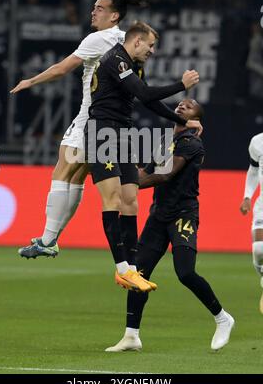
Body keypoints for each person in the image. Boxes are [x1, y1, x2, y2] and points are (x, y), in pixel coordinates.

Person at [10, 0, 149, 259]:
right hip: (115, 122)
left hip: (91, 118)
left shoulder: (98, 39)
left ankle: (49, 239)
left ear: (114, 15)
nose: (93, 12)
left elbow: (63, 68)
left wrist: (30, 80)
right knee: (75, 176)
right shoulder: (128, 42)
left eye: (99, 8)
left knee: (64, 171)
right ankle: (50, 238)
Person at [105, 99, 234, 348]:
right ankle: (131, 335)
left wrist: (130, 185)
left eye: (190, 105)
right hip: (158, 215)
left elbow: (165, 174)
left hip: (183, 214)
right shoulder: (165, 141)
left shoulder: (192, 143)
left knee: (185, 273)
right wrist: (116, 177)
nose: (182, 105)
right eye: (180, 104)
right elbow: (146, 172)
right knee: (138, 274)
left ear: (197, 118)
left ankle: (222, 318)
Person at [84, 23, 202, 292]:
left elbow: (148, 102)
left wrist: (181, 120)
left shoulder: (134, 66)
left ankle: (132, 269)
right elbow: (146, 94)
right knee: (112, 198)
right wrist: (180, 85)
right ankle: (123, 269)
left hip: (124, 133)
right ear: (136, 41)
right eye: (149, 45)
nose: (151, 51)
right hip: (102, 131)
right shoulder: (115, 60)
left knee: (131, 200)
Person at [240, 133, 263, 314]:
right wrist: (247, 196)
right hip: (262, 206)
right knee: (259, 249)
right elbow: (254, 170)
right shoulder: (257, 141)